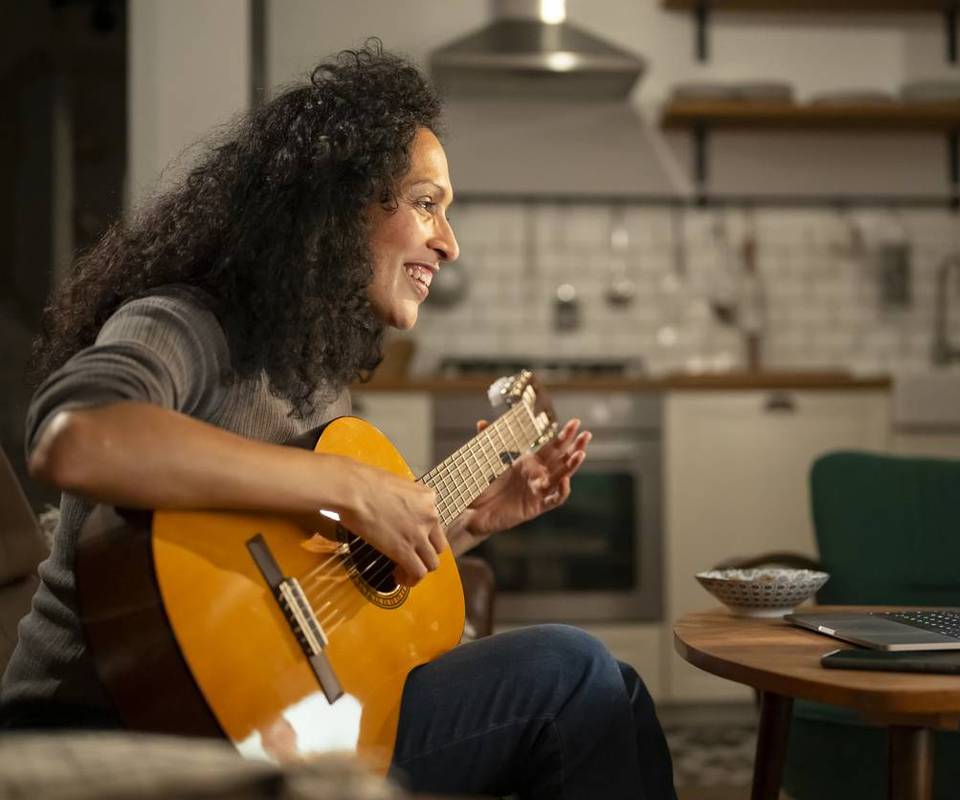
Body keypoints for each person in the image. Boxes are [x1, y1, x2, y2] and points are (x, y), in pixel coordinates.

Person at [0, 43, 677, 800]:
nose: (450, 243)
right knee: (572, 673)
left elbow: (315, 587)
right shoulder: (186, 323)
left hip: (275, 714)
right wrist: (346, 484)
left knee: (616, 691)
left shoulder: (316, 376)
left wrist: (465, 521)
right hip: (113, 728)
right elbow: (75, 439)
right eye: (427, 203)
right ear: (338, 203)